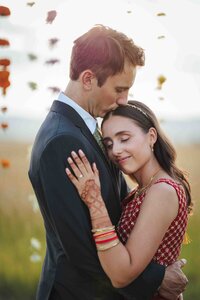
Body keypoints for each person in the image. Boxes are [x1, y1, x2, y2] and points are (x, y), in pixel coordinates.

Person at [28, 24, 188, 300]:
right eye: (119, 88)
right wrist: (155, 280)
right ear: (88, 79)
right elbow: (83, 250)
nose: (123, 100)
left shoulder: (90, 130)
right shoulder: (63, 141)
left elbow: (122, 208)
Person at [66, 100, 192, 299]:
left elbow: (121, 275)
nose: (115, 150)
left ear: (151, 137)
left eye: (124, 138)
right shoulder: (142, 190)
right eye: (109, 144)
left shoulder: (162, 191)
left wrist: (94, 201)